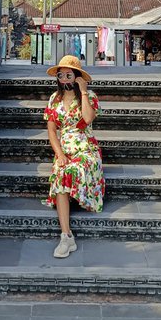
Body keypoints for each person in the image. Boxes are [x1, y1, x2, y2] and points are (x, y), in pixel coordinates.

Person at [43, 55, 105, 258]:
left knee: (71, 170)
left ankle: (67, 235)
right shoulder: (54, 98)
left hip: (86, 149)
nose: (64, 79)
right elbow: (51, 131)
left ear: (77, 76)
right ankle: (66, 236)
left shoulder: (90, 96)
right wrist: (59, 154)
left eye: (68, 75)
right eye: (60, 75)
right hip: (65, 150)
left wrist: (84, 91)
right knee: (61, 173)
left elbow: (87, 118)